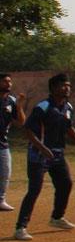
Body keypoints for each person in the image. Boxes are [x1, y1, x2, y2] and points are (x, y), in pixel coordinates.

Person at [14, 73, 75, 241]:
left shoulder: (68, 107)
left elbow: (69, 128)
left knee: (66, 184)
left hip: (57, 154)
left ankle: (57, 218)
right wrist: (42, 148)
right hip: (38, 155)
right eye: (63, 85)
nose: (67, 88)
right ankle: (20, 228)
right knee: (34, 189)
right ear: (53, 88)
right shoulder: (43, 107)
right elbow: (27, 130)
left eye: (69, 86)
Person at [1, 73, 27, 211]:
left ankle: (1, 200)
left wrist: (19, 106)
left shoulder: (11, 101)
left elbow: (21, 122)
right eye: (5, 81)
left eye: (10, 81)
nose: (9, 84)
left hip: (2, 143)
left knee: (5, 172)